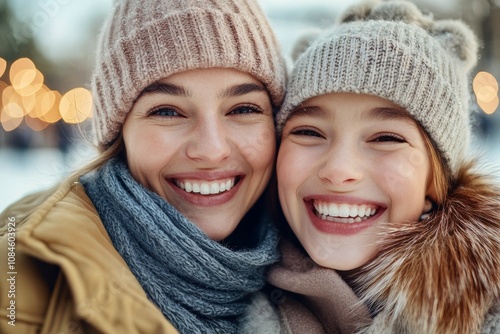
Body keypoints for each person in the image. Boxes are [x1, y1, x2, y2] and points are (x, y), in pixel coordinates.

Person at [0, 0, 287, 333]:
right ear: (119, 131)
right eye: (167, 111)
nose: (212, 150)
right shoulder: (21, 278)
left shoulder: (323, 271)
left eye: (243, 109)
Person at [239, 0, 500, 333]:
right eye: (308, 132)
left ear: (434, 183)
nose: (338, 169)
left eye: (385, 138)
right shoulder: (223, 300)